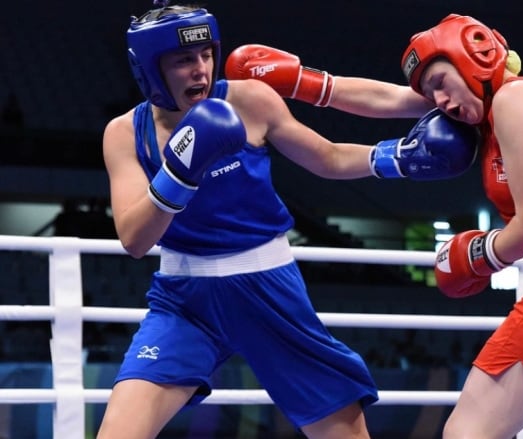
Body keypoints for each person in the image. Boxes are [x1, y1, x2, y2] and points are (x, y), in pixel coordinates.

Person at [227, 13, 523, 439]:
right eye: (429, 91)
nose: (437, 102)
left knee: (468, 431)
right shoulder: (489, 107)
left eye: (440, 83)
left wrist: (475, 254)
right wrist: (300, 81)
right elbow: (387, 99)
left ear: (476, 59)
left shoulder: (515, 100)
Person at [99, 5, 480, 439]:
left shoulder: (248, 100)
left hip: (268, 287)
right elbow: (133, 239)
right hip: (185, 301)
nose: (200, 69)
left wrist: (398, 158)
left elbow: (328, 157)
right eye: (184, 60)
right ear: (151, 69)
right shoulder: (125, 133)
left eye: (206, 54)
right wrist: (180, 171)